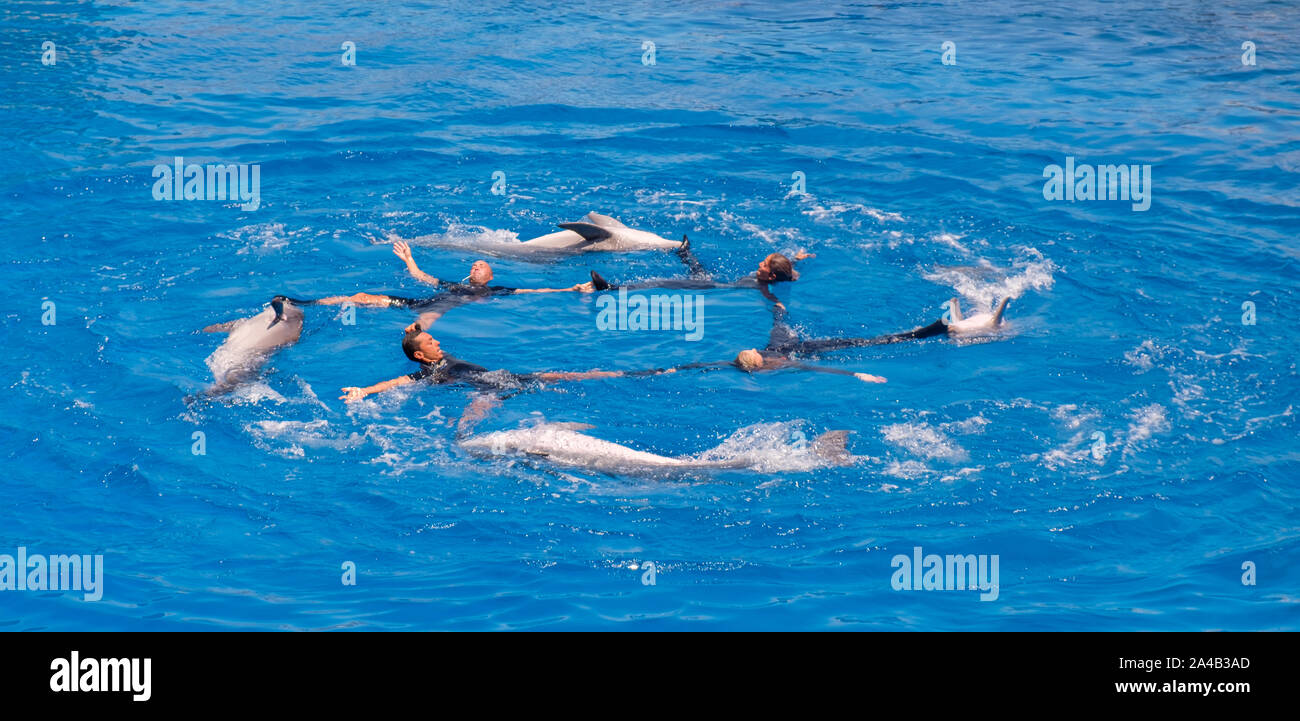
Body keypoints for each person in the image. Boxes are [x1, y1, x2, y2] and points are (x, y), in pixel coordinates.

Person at [315, 241, 596, 327]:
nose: (475, 266)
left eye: (481, 265)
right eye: (473, 265)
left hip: (443, 308)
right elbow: (422, 278)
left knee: (426, 318)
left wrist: (571, 289)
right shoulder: (453, 284)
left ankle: (414, 336)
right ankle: (310, 303)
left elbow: (533, 291)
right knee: (363, 296)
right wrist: (409, 259)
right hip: (422, 301)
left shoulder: (495, 290)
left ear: (490, 276)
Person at [339, 324, 623, 403]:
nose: (438, 343)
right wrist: (364, 391)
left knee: (563, 376)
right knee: (480, 406)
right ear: (419, 357)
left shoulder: (434, 355)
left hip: (499, 377)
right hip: (484, 389)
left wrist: (412, 333)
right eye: (430, 343)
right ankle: (463, 439)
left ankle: (623, 373)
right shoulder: (428, 374)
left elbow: (415, 342)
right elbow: (394, 383)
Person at [589, 238, 814, 312]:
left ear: (772, 276)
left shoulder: (764, 286)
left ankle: (613, 289)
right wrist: (797, 258)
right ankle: (685, 252)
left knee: (665, 283)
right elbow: (788, 268)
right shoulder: (784, 274)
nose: (759, 264)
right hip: (713, 283)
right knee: (697, 271)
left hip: (712, 290)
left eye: (763, 265)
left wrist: (778, 306)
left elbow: (770, 296)